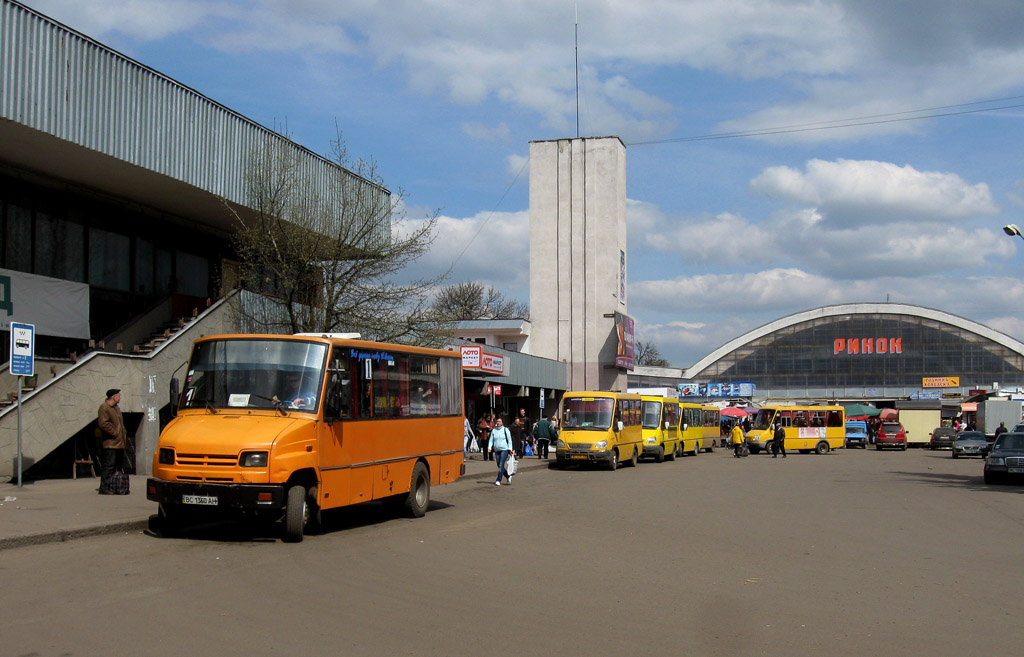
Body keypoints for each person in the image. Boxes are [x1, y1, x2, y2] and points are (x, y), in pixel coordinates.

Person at [96, 388, 128, 495]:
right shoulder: (104, 408)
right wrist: (115, 433)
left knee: (117, 466)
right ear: (113, 397)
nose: (120, 397)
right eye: (118, 396)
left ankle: (115, 485)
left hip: (119, 443)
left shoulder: (116, 408)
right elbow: (103, 424)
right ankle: (104, 487)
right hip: (111, 443)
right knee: (108, 466)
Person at [488, 417, 514, 485]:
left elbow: (509, 440)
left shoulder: (505, 430)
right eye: (497, 421)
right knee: (499, 465)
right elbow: (491, 440)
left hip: (504, 450)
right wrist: (489, 447)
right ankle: (508, 477)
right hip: (497, 450)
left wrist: (510, 449)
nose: (498, 422)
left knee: (501, 464)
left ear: (502, 422)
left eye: (499, 421)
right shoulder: (494, 430)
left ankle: (498, 480)